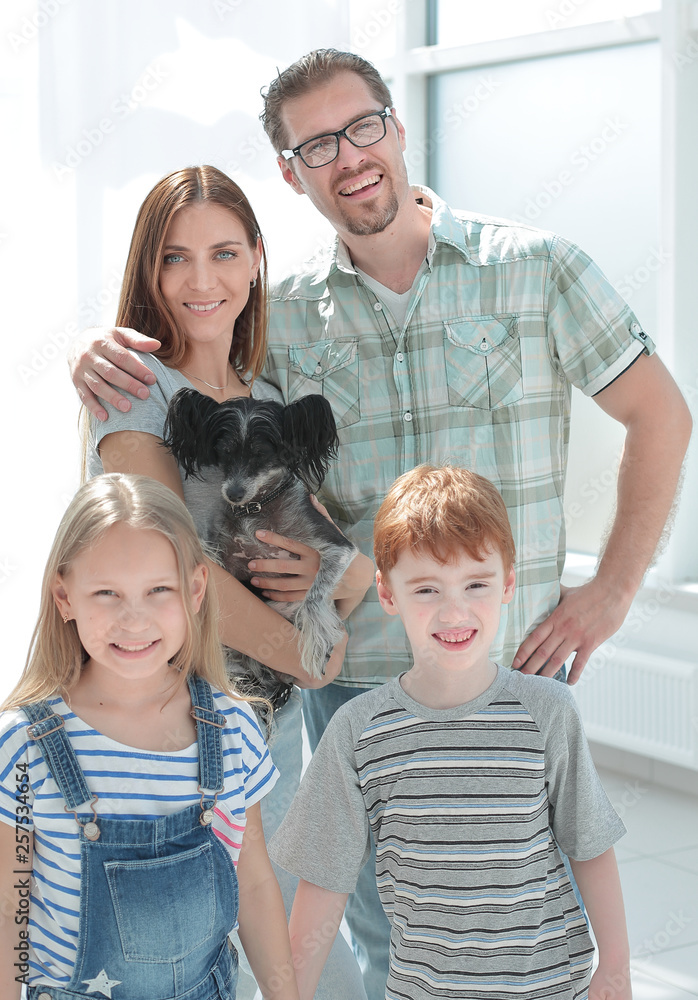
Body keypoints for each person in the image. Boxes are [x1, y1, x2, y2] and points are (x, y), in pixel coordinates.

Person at [67, 49, 690, 998]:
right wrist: (98, 346)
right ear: (290, 171)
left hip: (506, 667)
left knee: (526, 920)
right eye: (316, 143)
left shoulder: (537, 268)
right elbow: (193, 350)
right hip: (349, 686)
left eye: (362, 126)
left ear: (398, 126)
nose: (348, 155)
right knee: (384, 927)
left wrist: (608, 591)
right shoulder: (287, 321)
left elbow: (663, 416)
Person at [78, 165, 373, 1000]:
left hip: (267, 726)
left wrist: (321, 580)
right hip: (172, 724)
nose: (201, 281)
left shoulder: (268, 399)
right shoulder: (134, 389)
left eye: (223, 253)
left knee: (290, 954)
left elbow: (339, 566)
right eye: (174, 258)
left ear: (255, 262)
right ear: (148, 273)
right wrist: (301, 648)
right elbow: (179, 562)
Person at [269, 465, 632, 1000]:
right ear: (387, 594)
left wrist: (616, 969)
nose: (454, 610)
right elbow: (322, 884)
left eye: (476, 584)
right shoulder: (356, 732)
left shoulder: (548, 712)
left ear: (508, 583)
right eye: (426, 589)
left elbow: (591, 846)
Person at [0, 473, 300, 1000]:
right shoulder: (23, 746)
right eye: (106, 593)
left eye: (158, 590)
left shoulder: (234, 730)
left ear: (196, 590)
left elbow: (253, 886)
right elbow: (8, 912)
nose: (133, 619)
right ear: (65, 597)